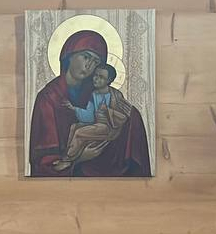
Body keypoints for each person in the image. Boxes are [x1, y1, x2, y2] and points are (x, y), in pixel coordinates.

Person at [28, 29, 151, 177]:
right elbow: (42, 161)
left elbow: (122, 117)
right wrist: (79, 158)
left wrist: (130, 114)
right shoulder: (48, 98)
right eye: (86, 57)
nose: (89, 66)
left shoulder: (97, 91)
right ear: (69, 55)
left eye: (96, 62)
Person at [57, 64, 135, 173]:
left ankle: (68, 160)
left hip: (110, 127)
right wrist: (74, 108)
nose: (96, 79)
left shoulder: (116, 95)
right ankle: (66, 156)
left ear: (109, 80)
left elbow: (125, 117)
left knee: (79, 132)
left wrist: (108, 111)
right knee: (74, 127)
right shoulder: (94, 94)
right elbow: (89, 116)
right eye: (95, 75)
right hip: (97, 124)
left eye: (101, 77)